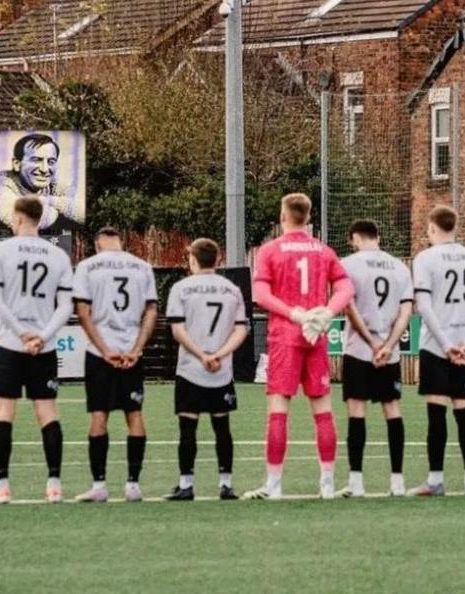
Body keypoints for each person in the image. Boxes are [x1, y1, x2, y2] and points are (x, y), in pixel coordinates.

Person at [244, 193, 355, 500]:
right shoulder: (324, 250)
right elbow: (346, 287)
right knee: (322, 410)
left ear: (283, 216)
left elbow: (261, 294)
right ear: (308, 218)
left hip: (285, 335)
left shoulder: (271, 250)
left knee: (279, 409)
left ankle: (274, 485)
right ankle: (328, 484)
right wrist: (327, 313)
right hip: (315, 336)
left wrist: (294, 313)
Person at [0, 197, 74, 505]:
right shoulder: (58, 255)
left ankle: (2, 486)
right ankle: (54, 486)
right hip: (43, 349)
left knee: (4, 413)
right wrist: (42, 337)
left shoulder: (0, 251)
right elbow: (66, 306)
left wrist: (22, 334)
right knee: (47, 413)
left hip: (9, 344)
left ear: (18, 218)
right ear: (41, 218)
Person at [406, 205, 465, 497]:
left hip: (436, 345)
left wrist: (444, 344)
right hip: (464, 345)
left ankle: (436, 479)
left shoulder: (425, 259)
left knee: (436, 412)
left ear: (431, 228)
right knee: (463, 409)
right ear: (454, 227)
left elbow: (424, 305)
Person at [71, 227, 158, 503]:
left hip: (101, 353)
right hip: (131, 350)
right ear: (121, 242)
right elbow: (152, 310)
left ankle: (99, 486)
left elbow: (82, 313)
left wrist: (104, 350)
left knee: (99, 415)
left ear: (98, 245)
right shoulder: (142, 266)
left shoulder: (87, 267)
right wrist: (136, 349)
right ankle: (133, 485)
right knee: (134, 414)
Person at [164, 238, 250, 501]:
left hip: (191, 369)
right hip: (221, 371)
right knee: (222, 426)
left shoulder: (181, 288)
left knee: (188, 427)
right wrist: (220, 355)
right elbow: (241, 328)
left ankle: (186, 484)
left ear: (193, 260)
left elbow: (177, 329)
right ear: (217, 260)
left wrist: (202, 355)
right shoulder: (231, 289)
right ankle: (226, 484)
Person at [337, 220, 414, 497]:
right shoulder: (400, 267)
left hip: (359, 349)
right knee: (392, 411)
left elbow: (348, 307)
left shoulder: (348, 265)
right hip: (389, 352)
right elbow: (406, 312)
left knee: (357, 412)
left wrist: (371, 343)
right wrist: (388, 345)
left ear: (355, 238)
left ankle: (356, 482)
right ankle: (397, 482)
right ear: (378, 237)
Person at [0, 133, 80, 231]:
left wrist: (48, 200)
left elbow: (80, 211)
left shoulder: (52, 185)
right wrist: (61, 205)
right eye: (36, 160)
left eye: (51, 162)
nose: (45, 169)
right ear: (17, 164)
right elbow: (32, 221)